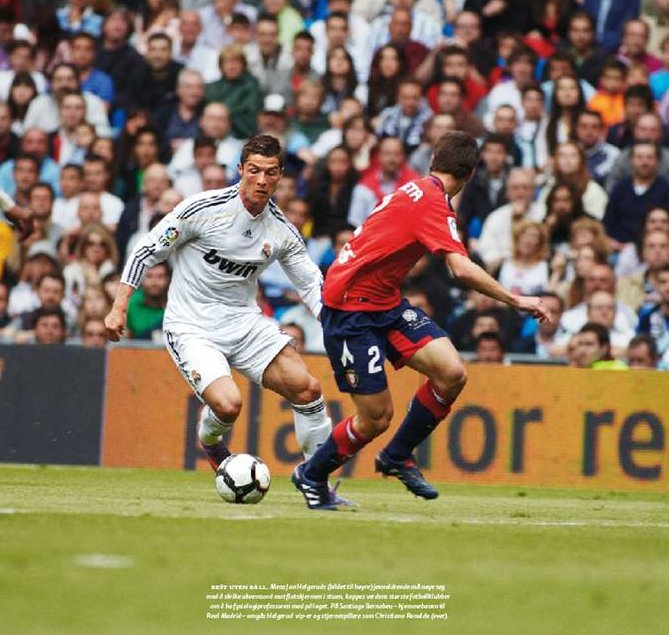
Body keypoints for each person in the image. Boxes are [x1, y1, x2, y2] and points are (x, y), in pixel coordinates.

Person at [292, 131, 550, 509]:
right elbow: (459, 269)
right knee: (376, 417)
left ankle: (397, 455)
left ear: (433, 160)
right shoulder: (432, 203)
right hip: (350, 310)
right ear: (470, 173)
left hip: (384, 302)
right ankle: (312, 474)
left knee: (451, 372)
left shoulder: (417, 191)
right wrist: (514, 299)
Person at [105, 133, 346, 504]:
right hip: (191, 325)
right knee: (229, 405)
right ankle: (211, 439)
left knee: (308, 388)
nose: (261, 181)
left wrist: (339, 330)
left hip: (243, 322)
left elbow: (313, 286)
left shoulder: (281, 230)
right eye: (254, 171)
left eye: (270, 173)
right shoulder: (202, 209)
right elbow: (146, 250)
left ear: (281, 175)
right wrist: (120, 304)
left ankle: (316, 482)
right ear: (240, 171)